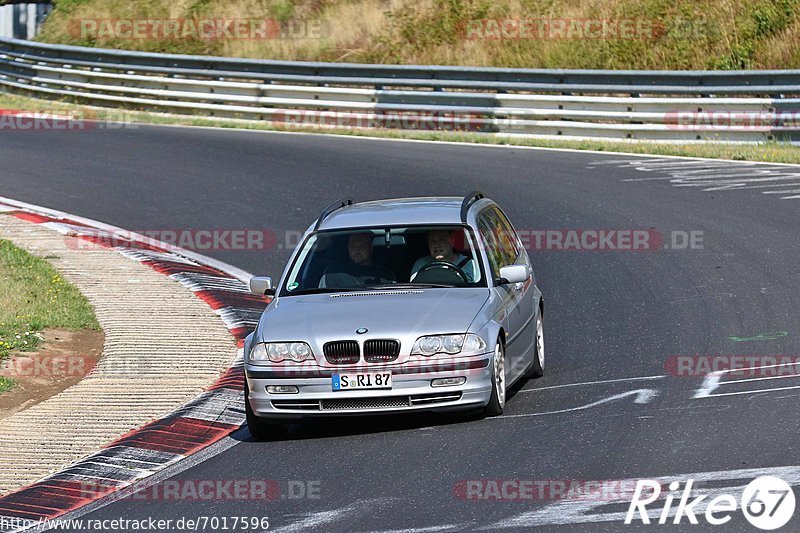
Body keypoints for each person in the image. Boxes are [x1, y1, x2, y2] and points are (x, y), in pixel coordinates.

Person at [319, 232, 395, 288]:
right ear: (348, 247)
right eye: (353, 246)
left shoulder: (386, 276)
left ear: (371, 248)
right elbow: (322, 301)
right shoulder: (332, 273)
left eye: (362, 246)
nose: (357, 250)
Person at [410, 229, 477, 282]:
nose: (437, 245)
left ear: (452, 241)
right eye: (433, 241)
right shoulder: (420, 265)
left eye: (442, 240)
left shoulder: (471, 265)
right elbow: (415, 292)